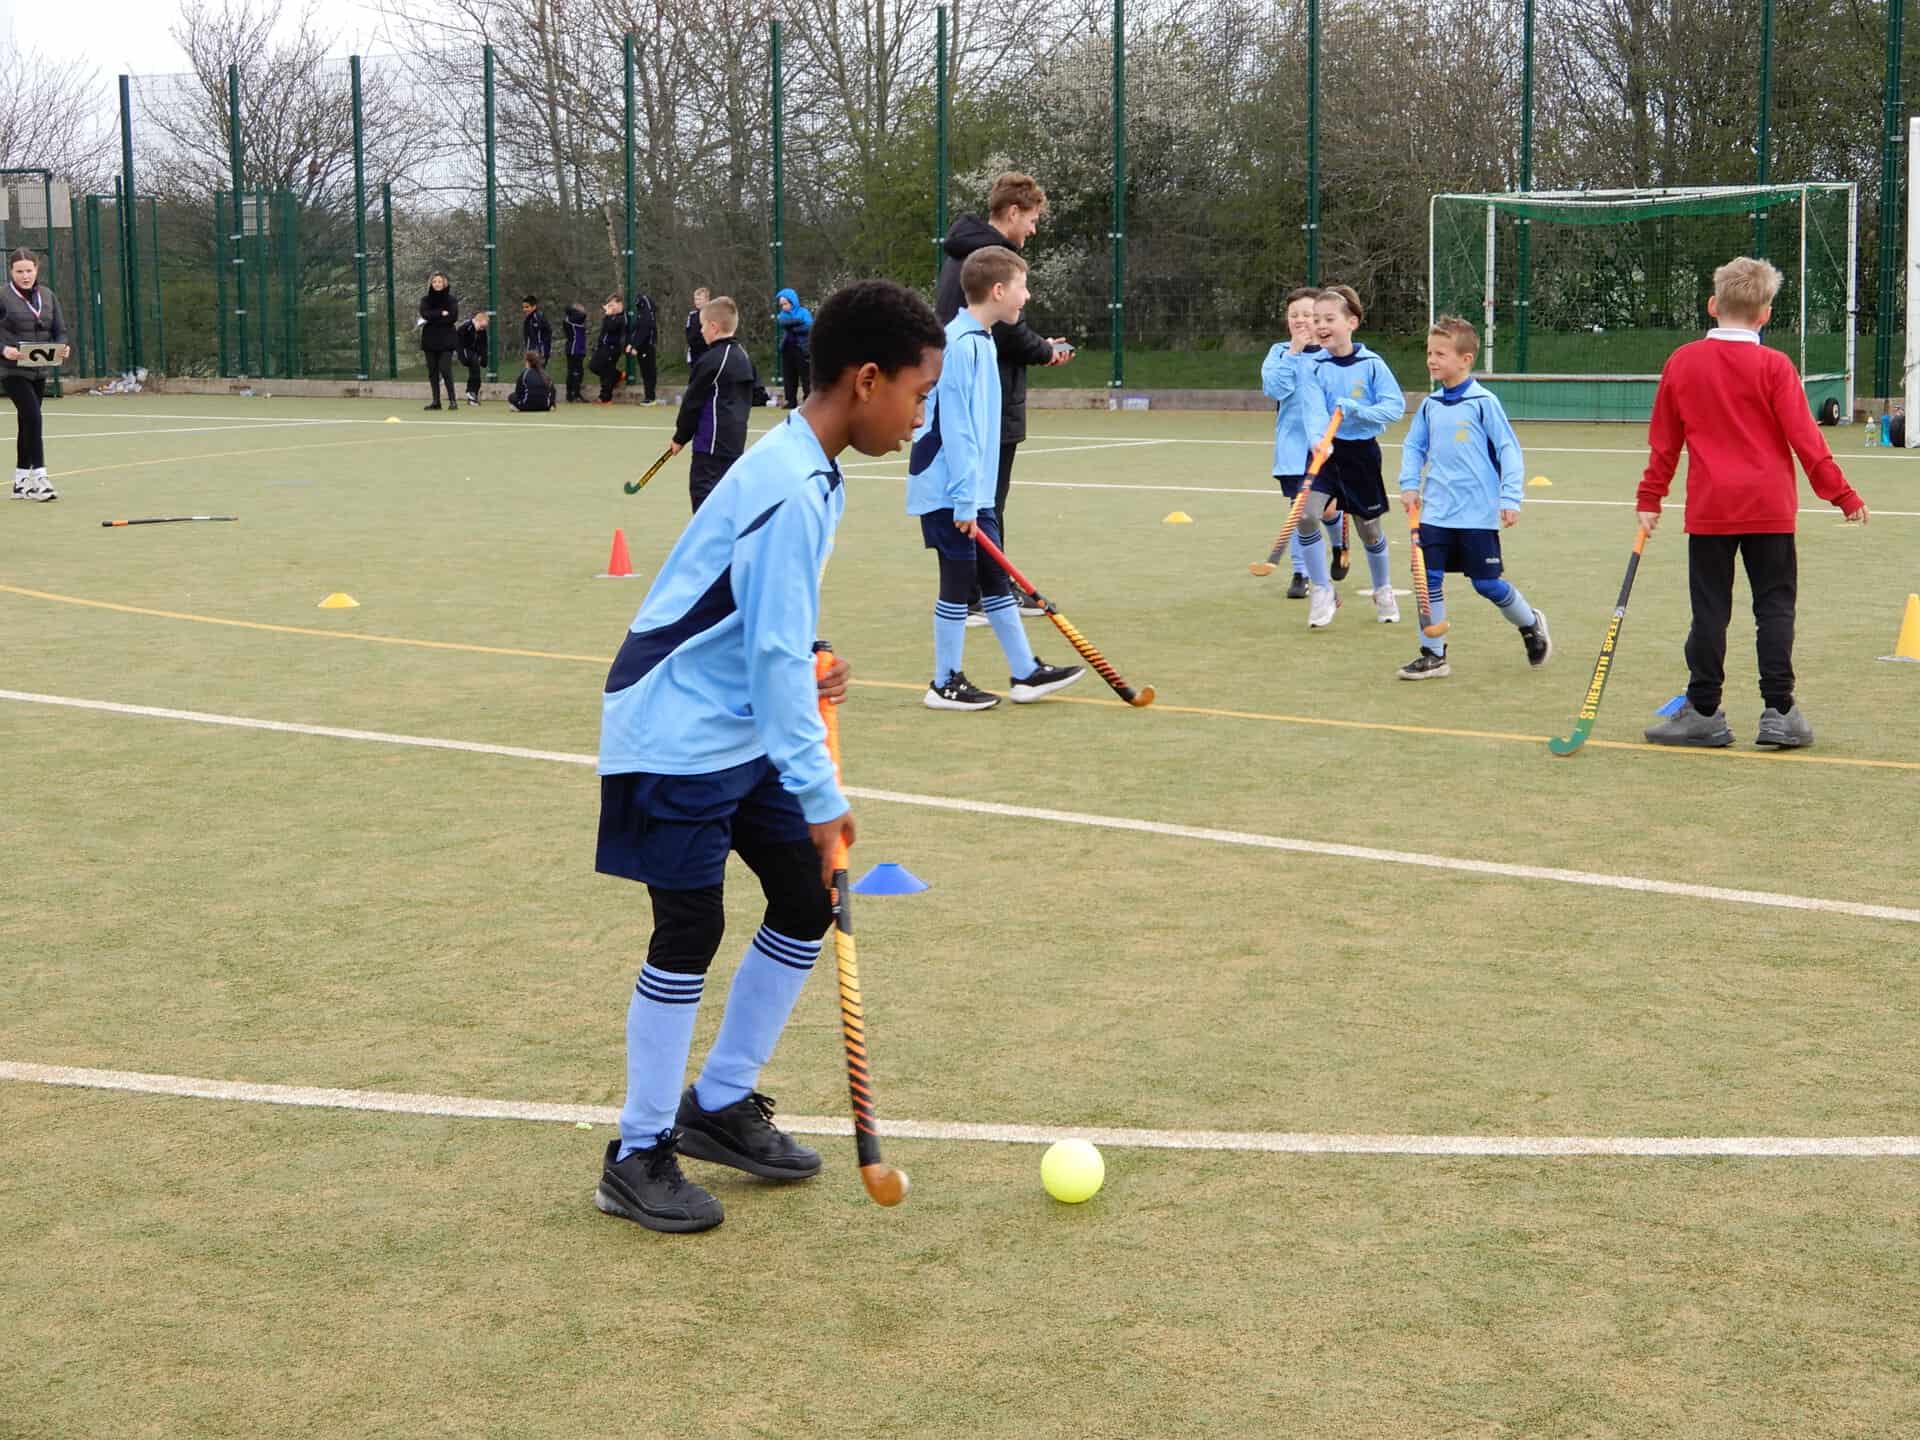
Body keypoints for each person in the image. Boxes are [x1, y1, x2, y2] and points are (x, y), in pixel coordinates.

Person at [593, 278, 947, 1235]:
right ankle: (636, 1152)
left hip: (737, 722)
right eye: (917, 395)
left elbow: (769, 624)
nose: (920, 418)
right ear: (866, 381)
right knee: (690, 928)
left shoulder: (813, 469)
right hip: (673, 727)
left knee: (800, 897)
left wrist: (811, 651)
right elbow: (770, 656)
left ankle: (719, 1104)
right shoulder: (791, 484)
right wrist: (821, 795)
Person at [1638, 256, 1868, 749]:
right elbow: (1807, 440)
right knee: (1774, 608)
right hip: (1769, 508)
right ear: (1765, 314)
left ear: (1712, 304)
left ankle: (1704, 711)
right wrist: (1842, 494)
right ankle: (1779, 711)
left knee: (1710, 611)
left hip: (1711, 510)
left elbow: (1664, 442)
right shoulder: (1775, 366)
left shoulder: (1682, 362)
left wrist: (1650, 497)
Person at [905, 246, 1084, 712]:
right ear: (999, 291)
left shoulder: (982, 339)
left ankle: (1025, 671)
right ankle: (944, 682)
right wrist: (967, 500)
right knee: (957, 579)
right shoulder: (960, 345)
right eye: (1023, 287)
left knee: (993, 578)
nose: (1028, 296)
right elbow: (958, 431)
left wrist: (977, 496)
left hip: (973, 490)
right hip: (950, 491)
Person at [934, 172, 1075, 620]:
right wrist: (1045, 352)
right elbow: (1006, 331)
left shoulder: (969, 254)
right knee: (983, 498)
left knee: (987, 497)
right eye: (1031, 220)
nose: (1033, 230)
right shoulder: (990, 260)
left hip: (989, 393)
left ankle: (991, 585)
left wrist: (1038, 345)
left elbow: (1000, 328)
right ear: (1012, 213)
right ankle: (978, 594)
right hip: (984, 399)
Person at [1394, 317, 1551, 680]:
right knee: (1427, 578)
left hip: (1476, 514)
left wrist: (1510, 497)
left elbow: (1508, 449)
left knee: (1487, 584)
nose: (1431, 360)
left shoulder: (1483, 403)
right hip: (1436, 512)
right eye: (1429, 353)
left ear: (1465, 360)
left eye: (1441, 354)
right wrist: (1409, 484)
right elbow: (1414, 446)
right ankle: (1433, 654)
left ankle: (1529, 624)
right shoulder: (1431, 405)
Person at [1297, 284, 1407, 628]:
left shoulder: (1372, 365)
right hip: (1326, 453)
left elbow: (1394, 408)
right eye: (1317, 319)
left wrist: (1357, 409)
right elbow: (1313, 410)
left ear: (1351, 323)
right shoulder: (1313, 366)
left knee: (1369, 530)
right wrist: (1318, 440)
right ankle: (1322, 590)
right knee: (1306, 516)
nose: (1320, 325)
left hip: (1361, 453)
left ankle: (1382, 589)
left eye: (1329, 319)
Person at [1258, 286, 1346, 599]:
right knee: (1300, 511)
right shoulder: (1279, 353)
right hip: (1293, 450)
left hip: (1327, 448)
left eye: (1307, 314)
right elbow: (1276, 389)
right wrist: (1294, 352)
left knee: (1327, 510)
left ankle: (1339, 543)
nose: (1300, 320)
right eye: (1293, 315)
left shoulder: (1334, 353)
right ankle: (1301, 573)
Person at [670, 294, 758, 512]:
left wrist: (680, 437)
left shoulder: (711, 360)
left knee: (704, 502)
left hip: (709, 446)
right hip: (735, 443)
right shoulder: (743, 356)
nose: (700, 331)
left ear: (713, 327)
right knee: (727, 503)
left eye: (702, 326)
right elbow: (756, 393)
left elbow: (692, 402)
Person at [1, 247, 69, 502]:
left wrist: (62, 346)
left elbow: (60, 330)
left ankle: (20, 482)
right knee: (33, 417)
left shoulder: (48, 296)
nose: (25, 276)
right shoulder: (2, 297)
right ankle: (40, 477)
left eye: (29, 270)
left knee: (26, 422)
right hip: (11, 370)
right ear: (11, 272)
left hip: (39, 370)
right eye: (19, 271)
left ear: (36, 270)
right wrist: (4, 350)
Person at [418, 271, 459, 411]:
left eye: (439, 281)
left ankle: (453, 400)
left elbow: (453, 317)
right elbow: (425, 314)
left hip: (447, 340)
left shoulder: (451, 300)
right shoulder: (425, 300)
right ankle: (436, 402)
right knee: (432, 372)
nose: (437, 284)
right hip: (430, 340)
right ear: (431, 283)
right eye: (434, 282)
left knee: (445, 369)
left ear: (444, 283)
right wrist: (441, 313)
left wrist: (433, 318)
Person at [774, 287, 812, 410]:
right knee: (789, 376)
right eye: (782, 305)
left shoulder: (804, 312)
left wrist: (792, 326)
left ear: (792, 301)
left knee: (805, 376)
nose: (784, 307)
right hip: (787, 349)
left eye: (785, 304)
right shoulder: (783, 314)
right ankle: (791, 400)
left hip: (801, 349)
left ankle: (808, 400)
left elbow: (808, 326)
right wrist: (798, 322)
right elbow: (783, 322)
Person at [591, 295, 628, 405]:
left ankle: (605, 398)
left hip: (612, 348)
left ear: (619, 304)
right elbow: (605, 330)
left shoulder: (621, 317)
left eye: (612, 305)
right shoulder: (612, 316)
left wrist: (608, 315)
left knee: (607, 371)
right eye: (609, 305)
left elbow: (611, 328)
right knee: (594, 366)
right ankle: (617, 375)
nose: (610, 307)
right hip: (603, 347)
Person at [624, 289, 659, 404]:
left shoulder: (647, 316)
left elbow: (643, 332)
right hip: (643, 348)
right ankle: (649, 396)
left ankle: (650, 397)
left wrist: (635, 346)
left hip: (647, 347)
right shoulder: (641, 315)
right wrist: (631, 344)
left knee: (649, 372)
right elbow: (636, 331)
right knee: (646, 372)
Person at [454, 309, 490, 407]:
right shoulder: (466, 327)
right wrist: (462, 356)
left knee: (476, 372)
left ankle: (473, 394)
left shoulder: (482, 331)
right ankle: (470, 392)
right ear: (477, 321)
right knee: (474, 365)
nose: (482, 329)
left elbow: (483, 346)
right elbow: (458, 342)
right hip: (466, 350)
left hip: (474, 352)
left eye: (484, 327)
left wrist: (484, 359)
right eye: (481, 326)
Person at [561, 301, 590, 402]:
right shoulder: (572, 319)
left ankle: (571, 394)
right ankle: (574, 394)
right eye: (578, 307)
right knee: (576, 372)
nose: (581, 308)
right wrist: (581, 309)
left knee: (574, 371)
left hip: (576, 348)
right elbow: (583, 315)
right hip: (575, 349)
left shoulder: (572, 319)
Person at [521, 295, 552, 365]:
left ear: (534, 306)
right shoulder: (528, 319)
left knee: (536, 371)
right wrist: (527, 352)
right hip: (531, 354)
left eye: (527, 307)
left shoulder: (538, 317)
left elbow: (546, 335)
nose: (524, 309)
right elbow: (529, 338)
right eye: (523, 307)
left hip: (538, 354)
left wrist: (542, 353)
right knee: (529, 371)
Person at [685, 286, 711, 367]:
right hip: (694, 355)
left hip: (708, 353)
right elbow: (688, 334)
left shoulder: (712, 315)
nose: (697, 302)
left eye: (700, 299)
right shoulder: (692, 315)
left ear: (707, 300)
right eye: (696, 299)